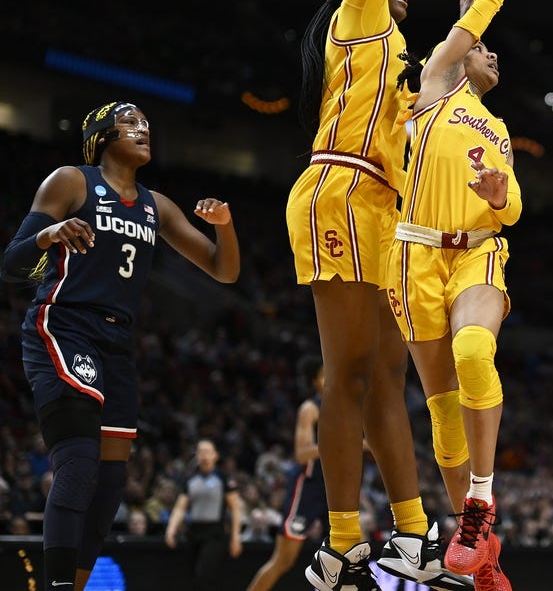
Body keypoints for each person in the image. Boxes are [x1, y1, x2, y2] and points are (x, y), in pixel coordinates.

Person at [283, 0, 474, 589]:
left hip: (383, 211)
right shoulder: (357, 19)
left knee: (391, 377)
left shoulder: (403, 63)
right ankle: (336, 545)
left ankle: (414, 534)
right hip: (338, 188)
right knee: (349, 373)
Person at [0, 100, 240, 590]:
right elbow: (11, 266)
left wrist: (225, 226)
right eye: (131, 123)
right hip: (63, 325)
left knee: (109, 489)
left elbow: (224, 269)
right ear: (103, 135)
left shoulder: (157, 206)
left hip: (117, 342)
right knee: (79, 464)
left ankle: (78, 584)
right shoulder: (70, 181)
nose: (143, 129)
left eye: (148, 124)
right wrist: (49, 234)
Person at [385, 0, 549, 591]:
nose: (493, 56)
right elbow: (484, 8)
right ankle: (481, 555)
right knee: (441, 410)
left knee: (475, 349)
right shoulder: (437, 81)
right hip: (413, 255)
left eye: (490, 54)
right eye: (485, 48)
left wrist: (498, 192)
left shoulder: (500, 128)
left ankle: (480, 498)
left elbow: (512, 208)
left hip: (477, 258)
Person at [244, 354, 328, 591]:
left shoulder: (344, 406)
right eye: (324, 376)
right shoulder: (310, 408)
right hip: (308, 486)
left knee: (349, 554)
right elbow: (302, 453)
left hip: (332, 488)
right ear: (314, 381)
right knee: (283, 560)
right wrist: (348, 443)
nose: (330, 379)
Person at [165, 438, 243, 586]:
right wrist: (171, 529)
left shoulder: (223, 478)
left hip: (215, 533)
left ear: (215, 455)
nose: (204, 456)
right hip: (193, 531)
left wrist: (236, 537)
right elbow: (180, 507)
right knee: (192, 576)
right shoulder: (190, 479)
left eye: (208, 452)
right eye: (201, 452)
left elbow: (236, 509)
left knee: (204, 574)